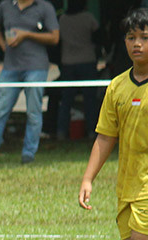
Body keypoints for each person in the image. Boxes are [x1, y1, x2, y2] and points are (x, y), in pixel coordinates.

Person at [78, 7, 148, 240]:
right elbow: (106, 137)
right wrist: (88, 178)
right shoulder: (118, 86)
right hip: (127, 184)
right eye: (132, 38)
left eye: (145, 38)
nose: (138, 44)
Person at [0, 0, 59, 165]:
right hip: (10, 67)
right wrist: (4, 46)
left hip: (36, 67)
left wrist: (27, 35)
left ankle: (28, 154)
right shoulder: (5, 6)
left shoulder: (44, 7)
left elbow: (55, 37)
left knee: (33, 112)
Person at [56, 0, 101, 140]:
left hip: (68, 62)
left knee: (66, 99)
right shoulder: (88, 17)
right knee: (90, 99)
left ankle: (61, 132)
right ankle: (92, 131)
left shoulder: (62, 19)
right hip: (87, 60)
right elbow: (99, 36)